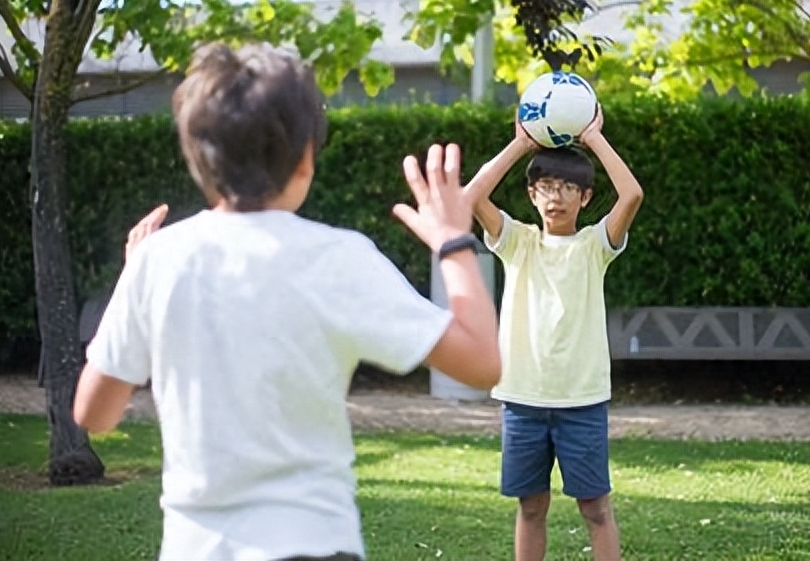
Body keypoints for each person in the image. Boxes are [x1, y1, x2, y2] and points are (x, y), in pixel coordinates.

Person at [72, 42, 500, 561]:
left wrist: (135, 276)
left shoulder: (159, 259)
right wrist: (453, 241)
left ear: (197, 160)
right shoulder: (340, 257)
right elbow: (481, 364)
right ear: (305, 158)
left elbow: (94, 413)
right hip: (317, 542)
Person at [464, 107, 643, 561]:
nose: (555, 197)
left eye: (566, 188)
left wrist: (594, 139)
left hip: (581, 400)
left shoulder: (593, 247)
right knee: (531, 507)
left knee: (596, 508)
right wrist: (522, 144)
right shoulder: (517, 242)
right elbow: (470, 197)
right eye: (545, 187)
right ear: (532, 194)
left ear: (584, 198)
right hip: (523, 400)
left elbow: (632, 195)